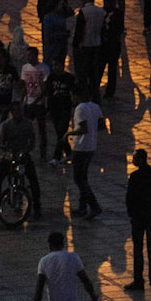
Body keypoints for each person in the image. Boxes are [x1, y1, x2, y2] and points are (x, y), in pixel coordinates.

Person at [0, 102, 41, 221]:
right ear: (12, 112)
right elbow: (1, 142)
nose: (18, 113)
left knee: (33, 180)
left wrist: (25, 151)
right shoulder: (5, 125)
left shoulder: (28, 124)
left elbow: (32, 141)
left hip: (23, 156)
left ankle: (37, 208)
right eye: (15, 111)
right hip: (9, 156)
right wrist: (5, 151)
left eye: (20, 111)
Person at [124, 146, 151, 290]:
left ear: (141, 160)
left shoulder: (135, 176)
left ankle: (138, 280)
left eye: (135, 159)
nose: (133, 161)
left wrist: (131, 214)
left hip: (139, 218)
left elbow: (130, 198)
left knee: (138, 250)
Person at [68, 90, 104, 218]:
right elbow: (101, 125)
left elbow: (83, 128)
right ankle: (82, 207)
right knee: (83, 178)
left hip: (81, 147)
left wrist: (68, 134)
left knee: (79, 179)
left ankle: (94, 206)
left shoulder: (80, 108)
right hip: (91, 146)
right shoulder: (95, 106)